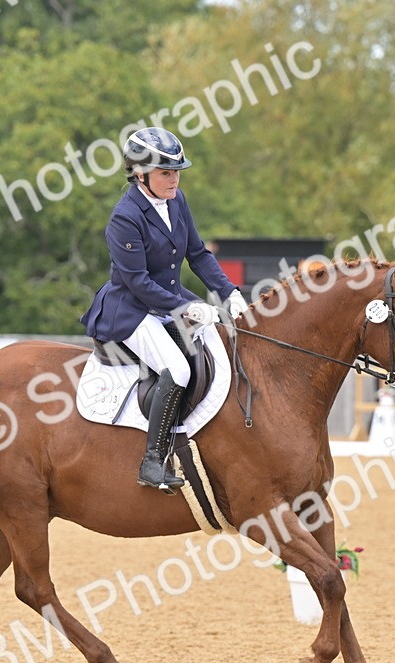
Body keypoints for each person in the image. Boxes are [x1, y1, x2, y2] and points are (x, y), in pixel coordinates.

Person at [81, 127, 249, 493]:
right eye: (166, 173)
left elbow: (198, 254)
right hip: (130, 309)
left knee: (219, 345)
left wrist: (229, 292)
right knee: (177, 368)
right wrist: (187, 306)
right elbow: (138, 282)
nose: (174, 179)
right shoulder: (124, 217)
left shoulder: (177, 200)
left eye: (176, 172)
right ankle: (152, 462)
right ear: (140, 174)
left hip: (168, 298)